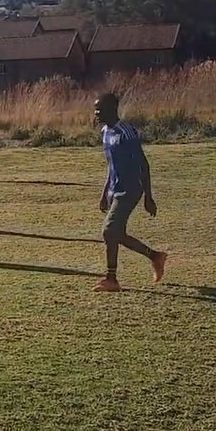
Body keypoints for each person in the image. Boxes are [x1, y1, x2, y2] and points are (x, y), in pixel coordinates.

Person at [93, 93, 167, 292]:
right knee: (116, 233)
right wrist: (104, 193)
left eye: (99, 109)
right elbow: (111, 165)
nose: (96, 113)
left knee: (109, 231)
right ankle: (155, 257)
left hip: (131, 189)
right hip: (115, 190)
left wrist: (148, 196)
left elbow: (143, 164)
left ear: (111, 109)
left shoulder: (126, 132)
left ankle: (112, 279)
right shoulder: (105, 132)